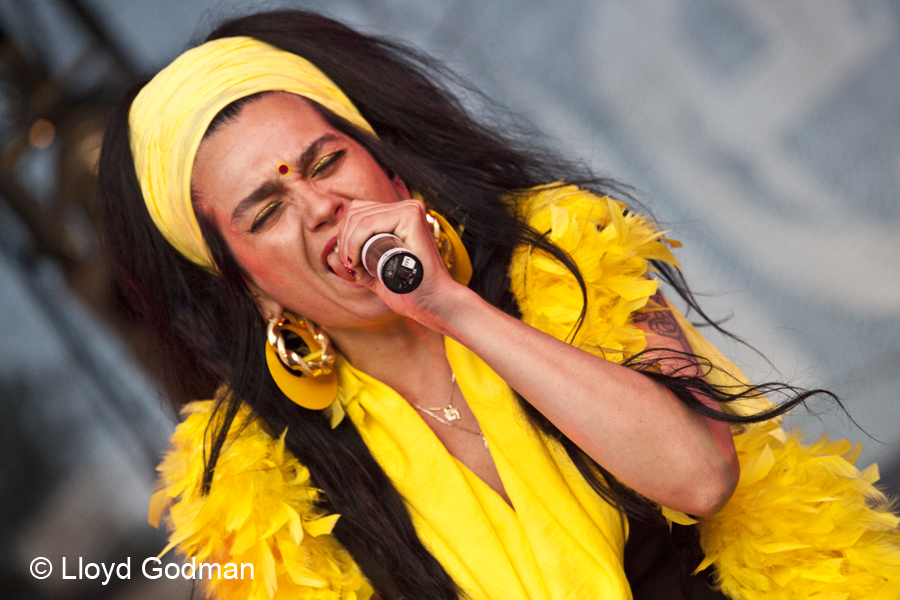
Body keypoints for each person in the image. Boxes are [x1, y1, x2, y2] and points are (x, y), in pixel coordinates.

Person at [98, 9, 900, 600]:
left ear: (389, 173)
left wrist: (450, 308)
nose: (317, 206)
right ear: (248, 285)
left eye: (325, 162)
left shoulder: (562, 254)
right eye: (265, 211)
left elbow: (697, 474)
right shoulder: (262, 483)